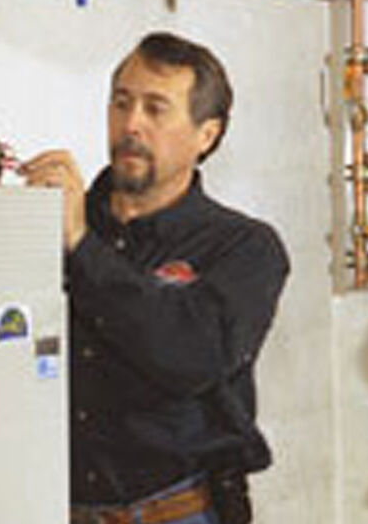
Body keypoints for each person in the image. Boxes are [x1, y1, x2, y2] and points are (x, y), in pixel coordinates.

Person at [22, 32, 289, 524]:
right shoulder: (49, 225)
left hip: (179, 511)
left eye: (155, 109)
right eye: (121, 103)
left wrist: (81, 244)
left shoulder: (243, 247)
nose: (131, 124)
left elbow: (190, 356)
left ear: (206, 135)